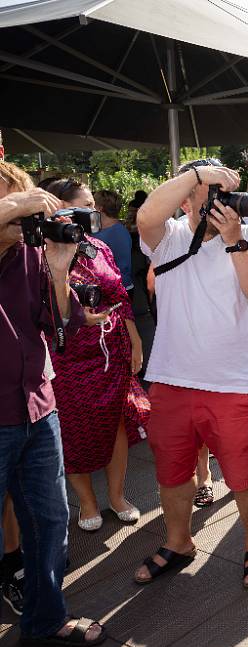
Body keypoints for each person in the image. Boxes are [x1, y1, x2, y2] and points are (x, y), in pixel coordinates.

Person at [134, 158, 248, 590]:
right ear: (187, 194)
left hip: (231, 384)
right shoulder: (169, 235)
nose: (218, 198)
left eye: (221, 188)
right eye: (209, 189)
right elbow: (144, 215)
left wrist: (234, 240)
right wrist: (196, 176)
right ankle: (179, 543)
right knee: (173, 474)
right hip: (172, 380)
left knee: (245, 475)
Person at [0, 162, 107, 647]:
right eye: (12, 204)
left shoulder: (30, 255)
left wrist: (59, 269)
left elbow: (60, 323)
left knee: (48, 521)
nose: (21, 216)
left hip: (37, 410)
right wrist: (23, 200)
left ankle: (44, 620)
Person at [43, 179, 149, 533]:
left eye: (94, 205)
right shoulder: (40, 253)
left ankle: (117, 497)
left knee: (115, 422)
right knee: (73, 431)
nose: (95, 212)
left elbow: (120, 293)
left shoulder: (97, 247)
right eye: (86, 205)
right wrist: (75, 315)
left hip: (111, 348)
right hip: (68, 357)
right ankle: (87, 502)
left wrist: (134, 340)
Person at [92, 189, 135, 297]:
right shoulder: (98, 228)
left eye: (91, 204)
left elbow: (122, 267)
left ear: (99, 208)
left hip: (118, 290)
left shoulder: (119, 233)